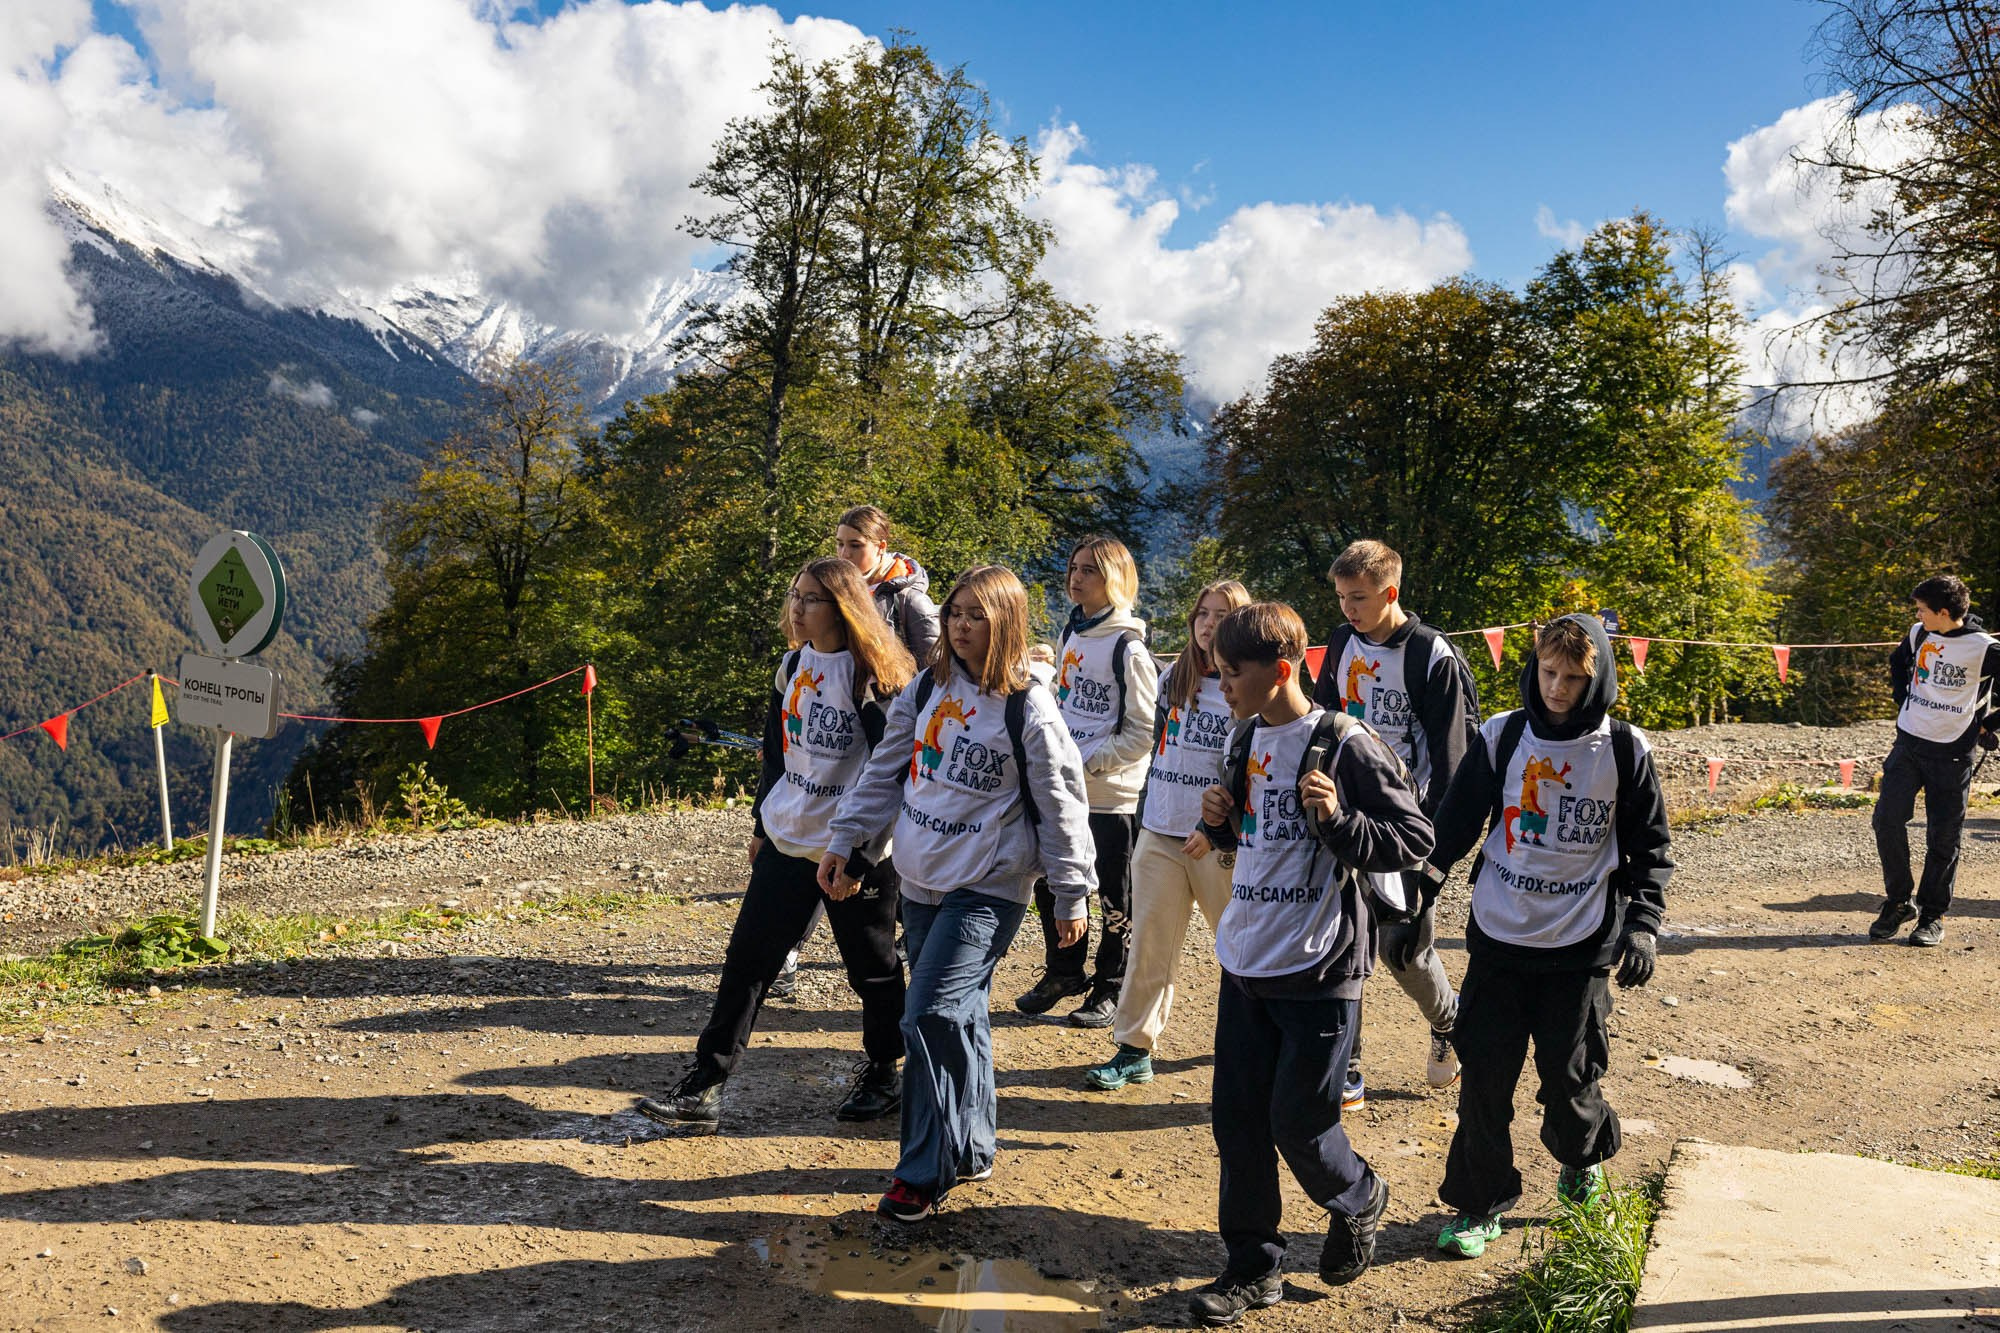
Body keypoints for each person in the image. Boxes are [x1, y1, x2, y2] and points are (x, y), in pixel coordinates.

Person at [821, 565, 1097, 1223]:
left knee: (927, 1016)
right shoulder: (926, 685)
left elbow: (1062, 802)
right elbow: (885, 772)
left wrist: (1071, 892)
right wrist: (846, 840)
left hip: (990, 884)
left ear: (1005, 622)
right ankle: (971, 1146)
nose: (962, 625)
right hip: (920, 879)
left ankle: (921, 1170)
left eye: (977, 614)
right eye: (956, 613)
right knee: (961, 1011)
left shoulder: (1028, 703)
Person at [1186, 602, 1435, 1325]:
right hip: (1247, 957)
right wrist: (1219, 816)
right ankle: (1252, 1268)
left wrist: (1341, 821)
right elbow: (1248, 837)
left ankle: (1358, 1195)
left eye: (1234, 673)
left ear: (1282, 670)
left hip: (1322, 968)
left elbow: (1412, 838)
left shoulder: (1347, 744)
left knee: (1298, 1120)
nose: (1223, 683)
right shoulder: (1242, 739)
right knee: (1237, 1120)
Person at [635, 558, 915, 1131]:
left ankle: (886, 1070)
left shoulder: (874, 680)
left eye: (811, 598)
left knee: (873, 968)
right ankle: (705, 1085)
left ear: (843, 608)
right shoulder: (792, 666)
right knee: (747, 964)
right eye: (795, 595)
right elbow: (776, 756)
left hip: (853, 851)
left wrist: (860, 854)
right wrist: (763, 828)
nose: (798, 606)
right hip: (790, 840)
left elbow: (892, 776)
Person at [1425, 613, 1672, 1260]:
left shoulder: (1624, 750)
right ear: (1535, 665)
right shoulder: (1503, 735)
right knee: (1484, 1079)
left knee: (1569, 1076)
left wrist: (1643, 924)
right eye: (1549, 671)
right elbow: (1453, 826)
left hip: (1579, 946)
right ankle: (1480, 1202)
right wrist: (1417, 893)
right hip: (1500, 938)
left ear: (1599, 677)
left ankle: (1580, 1159)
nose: (1558, 687)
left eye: (1574, 676)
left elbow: (1651, 849)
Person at [1309, 539, 1480, 1105]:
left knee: (1400, 948)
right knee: (1339, 938)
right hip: (1343, 814)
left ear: (1391, 593)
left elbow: (1453, 763)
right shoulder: (1340, 641)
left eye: (1358, 598)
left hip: (1406, 825)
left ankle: (1449, 1020)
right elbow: (1324, 719)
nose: (1348, 610)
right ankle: (1346, 1068)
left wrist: (1433, 854)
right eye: (1340, 598)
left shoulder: (1432, 656)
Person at [1082, 579, 1250, 1092]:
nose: (1208, 623)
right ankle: (1133, 1048)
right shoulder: (1173, 675)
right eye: (1203, 612)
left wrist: (1213, 827)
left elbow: (1253, 766)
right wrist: (1149, 819)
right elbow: (1157, 750)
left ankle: (1252, 1046)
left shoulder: (1246, 681)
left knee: (1242, 948)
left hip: (1220, 840)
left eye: (1221, 614)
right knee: (1150, 945)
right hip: (1158, 831)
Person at [770, 504, 941, 1001]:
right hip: (821, 751)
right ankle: (789, 948)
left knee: (864, 879)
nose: (844, 552)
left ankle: (901, 971)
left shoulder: (911, 600)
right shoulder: (826, 589)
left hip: (891, 728)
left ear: (881, 547)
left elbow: (931, 670)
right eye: (840, 543)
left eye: (855, 545)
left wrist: (909, 712)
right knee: (815, 856)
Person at [1016, 535, 1159, 1028]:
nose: (1076, 578)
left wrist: (1087, 764)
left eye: (1090, 571)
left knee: (1115, 896)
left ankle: (1111, 985)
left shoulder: (1129, 647)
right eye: (1074, 568)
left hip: (1110, 795)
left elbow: (1143, 731)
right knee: (1055, 881)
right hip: (1063, 790)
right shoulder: (1073, 630)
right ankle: (1064, 971)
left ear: (1115, 578)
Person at [1869, 575, 2000, 947]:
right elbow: (1898, 664)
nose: (1917, 615)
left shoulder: (1984, 648)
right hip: (1908, 744)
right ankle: (1898, 903)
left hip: (1953, 752)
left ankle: (1932, 914)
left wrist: (1986, 724)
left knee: (1943, 837)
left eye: (1922, 610)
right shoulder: (1918, 634)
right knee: (1886, 821)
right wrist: (1905, 700)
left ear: (1943, 612)